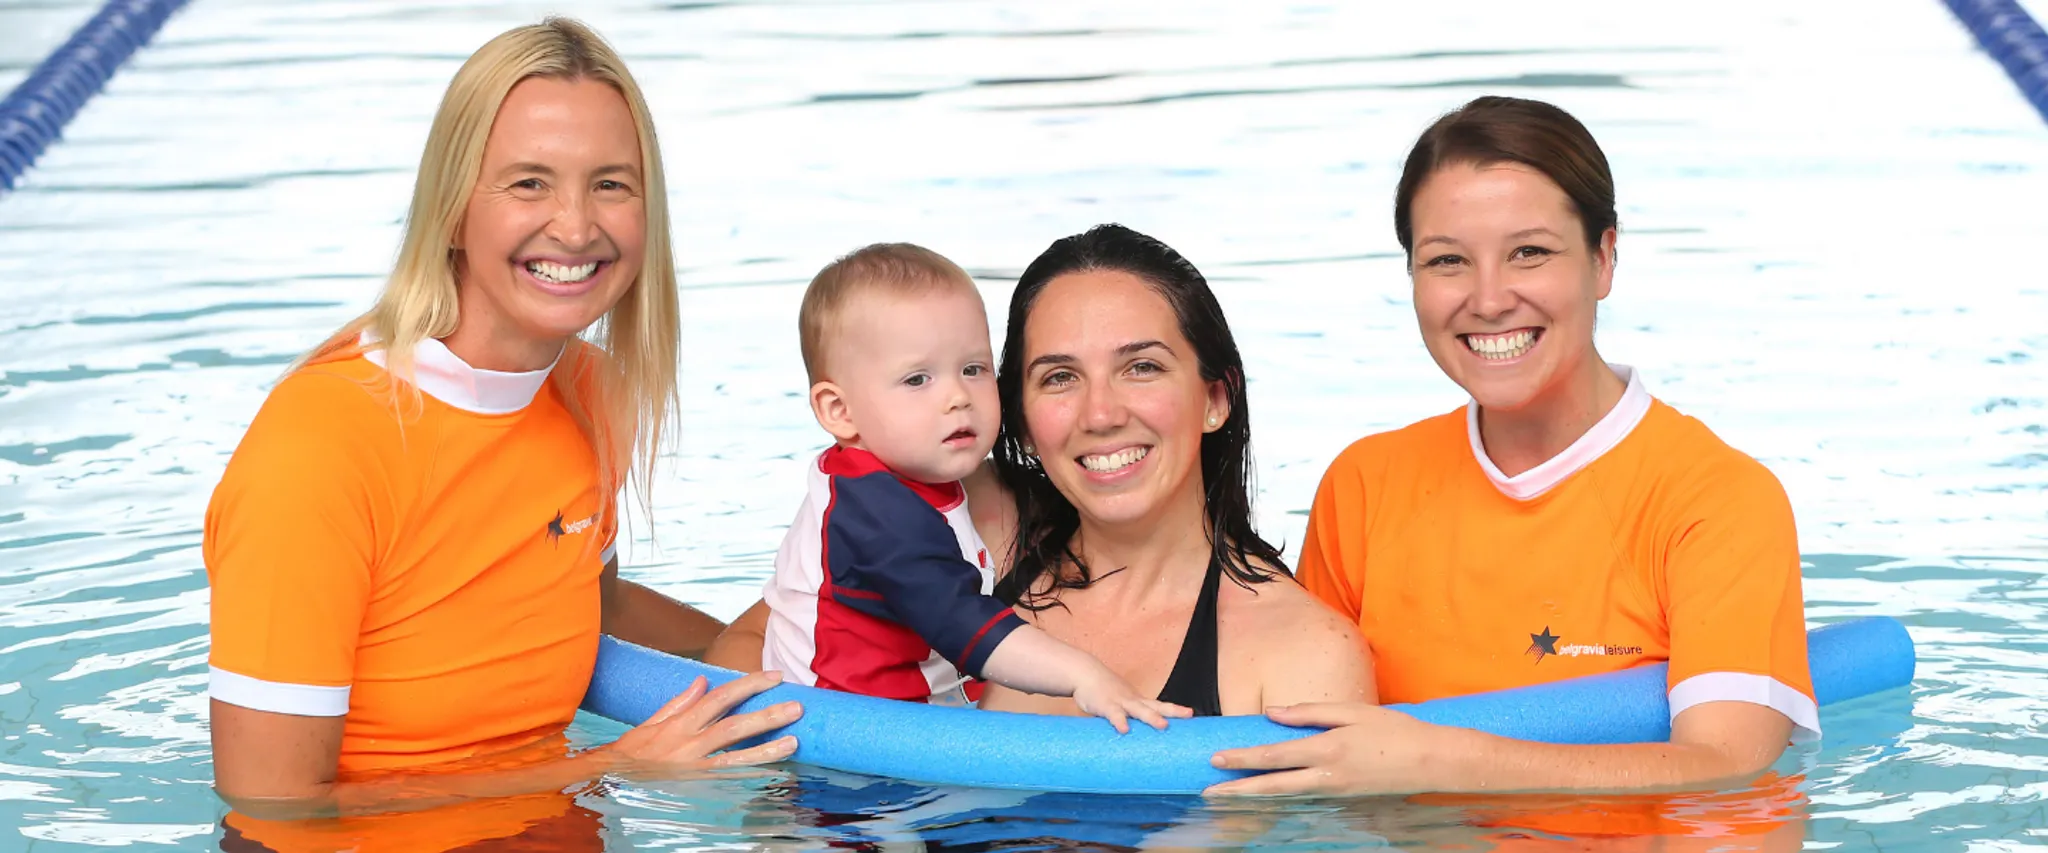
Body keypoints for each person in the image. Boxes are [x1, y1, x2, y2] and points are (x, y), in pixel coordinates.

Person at [202, 18, 801, 840]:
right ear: (450, 210)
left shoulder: (593, 393)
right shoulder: (321, 447)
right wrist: (614, 764)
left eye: (611, 184)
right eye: (529, 183)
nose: (576, 226)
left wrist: (797, 657)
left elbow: (589, 603)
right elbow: (272, 796)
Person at [1206, 95, 1818, 797]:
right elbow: (1299, 749)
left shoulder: (1717, 500)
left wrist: (1440, 759)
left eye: (1529, 252)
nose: (1489, 299)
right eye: (1447, 261)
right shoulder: (1366, 485)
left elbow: (1728, 766)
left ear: (1605, 258)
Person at [713, 224, 1372, 720]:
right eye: (1059, 377)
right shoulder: (960, 524)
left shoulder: (1300, 653)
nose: (1101, 412)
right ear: (1021, 418)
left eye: (1141, 366)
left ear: (1216, 398)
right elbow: (767, 634)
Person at [761, 242, 1191, 733]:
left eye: (973, 368)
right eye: (917, 379)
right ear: (840, 411)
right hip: (844, 759)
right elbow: (964, 625)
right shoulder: (878, 515)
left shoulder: (881, 482)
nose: (958, 398)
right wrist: (1085, 675)